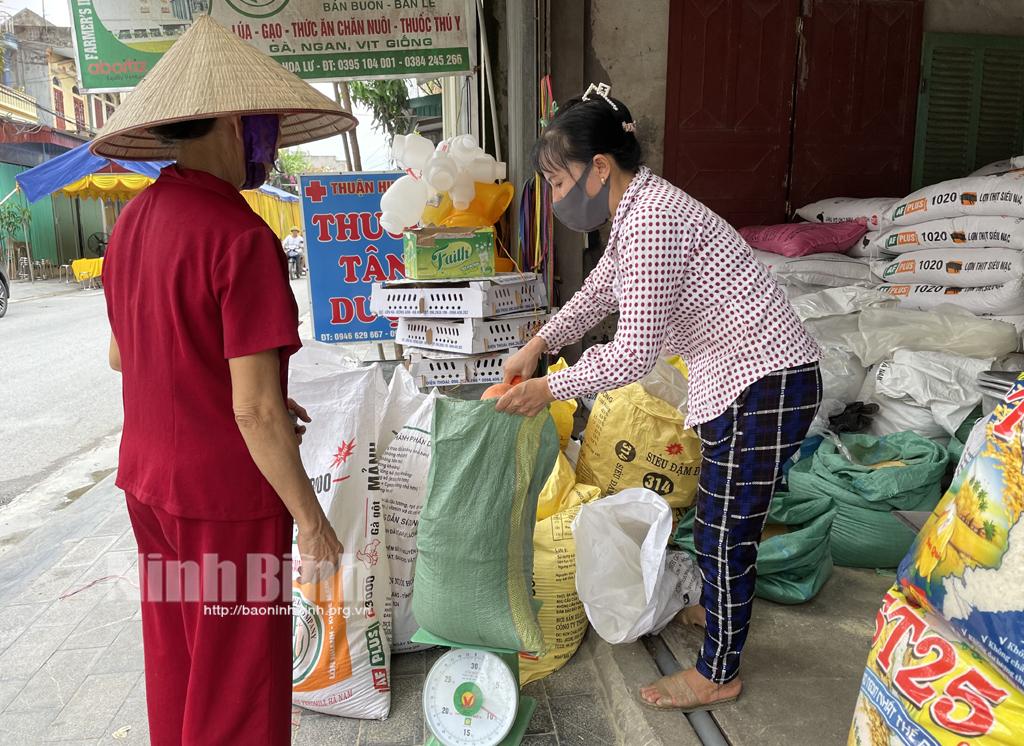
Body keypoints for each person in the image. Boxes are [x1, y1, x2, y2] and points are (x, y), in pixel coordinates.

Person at [498, 83, 822, 712]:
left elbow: (632, 354)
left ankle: (718, 673)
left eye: (559, 184)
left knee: (726, 532)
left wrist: (548, 387)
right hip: (745, 378)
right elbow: (597, 294)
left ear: (598, 167)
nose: (558, 199)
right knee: (718, 518)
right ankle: (717, 614)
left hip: (765, 381)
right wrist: (536, 343)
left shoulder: (652, 220)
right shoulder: (638, 212)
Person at [95, 17, 356, 745]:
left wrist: (257, 390)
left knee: (182, 662)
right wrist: (313, 523)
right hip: (226, 506)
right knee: (240, 685)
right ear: (242, 122)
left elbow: (126, 356)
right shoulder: (241, 237)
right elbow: (254, 413)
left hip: (150, 490)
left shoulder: (133, 222)